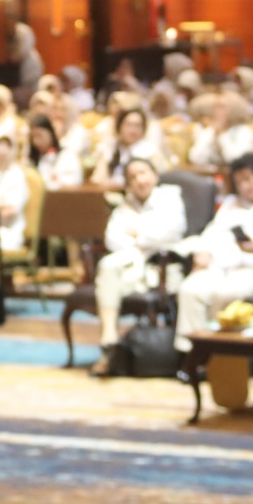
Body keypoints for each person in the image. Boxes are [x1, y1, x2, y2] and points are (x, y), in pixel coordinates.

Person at [173, 154, 253, 353]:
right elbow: (212, 231)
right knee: (190, 289)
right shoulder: (231, 203)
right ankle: (188, 352)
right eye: (239, 182)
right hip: (220, 265)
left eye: (248, 179)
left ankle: (215, 352)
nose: (244, 186)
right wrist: (203, 251)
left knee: (225, 293)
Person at [90, 159, 187, 376]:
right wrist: (140, 239)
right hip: (130, 266)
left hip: (161, 268)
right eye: (132, 177)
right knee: (107, 268)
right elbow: (112, 238)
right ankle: (109, 338)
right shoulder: (125, 205)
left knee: (108, 271)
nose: (139, 180)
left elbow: (169, 233)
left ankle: (108, 350)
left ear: (155, 175)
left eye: (143, 173)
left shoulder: (170, 198)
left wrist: (137, 234)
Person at [29, 112, 83, 189]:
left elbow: (71, 184)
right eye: (32, 137)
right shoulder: (34, 158)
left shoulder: (67, 156)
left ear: (51, 133)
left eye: (39, 136)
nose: (35, 141)